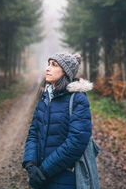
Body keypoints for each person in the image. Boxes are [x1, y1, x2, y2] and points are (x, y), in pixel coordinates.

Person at [22, 52, 94, 189]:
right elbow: (33, 133)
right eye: (48, 64)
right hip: (40, 178)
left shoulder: (78, 99)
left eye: (54, 65)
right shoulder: (45, 97)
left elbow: (76, 142)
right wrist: (30, 164)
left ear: (65, 72)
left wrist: (44, 171)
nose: (48, 68)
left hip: (64, 179)